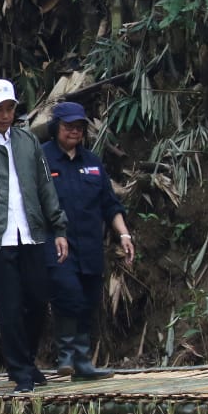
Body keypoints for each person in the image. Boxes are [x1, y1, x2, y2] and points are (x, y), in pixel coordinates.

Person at [0, 79, 69, 393]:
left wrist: (58, 227)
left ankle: (27, 360)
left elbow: (45, 187)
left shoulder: (28, 142)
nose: (5, 115)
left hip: (30, 233)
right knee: (9, 304)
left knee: (37, 298)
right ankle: (19, 370)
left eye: (10, 108)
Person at [41, 101, 136, 380]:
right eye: (68, 126)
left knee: (89, 300)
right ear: (55, 127)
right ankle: (66, 354)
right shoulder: (42, 158)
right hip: (57, 244)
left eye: (79, 127)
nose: (74, 131)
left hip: (91, 247)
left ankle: (82, 361)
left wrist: (124, 234)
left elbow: (109, 203)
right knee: (68, 294)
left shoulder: (92, 162)